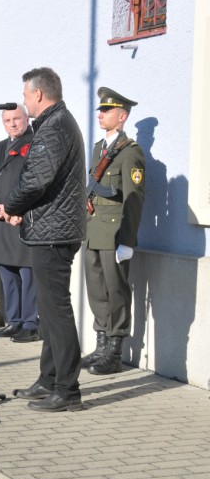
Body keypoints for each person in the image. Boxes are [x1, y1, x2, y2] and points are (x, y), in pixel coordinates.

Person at [4, 67, 87, 412]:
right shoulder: (55, 123)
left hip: (55, 232)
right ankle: (49, 379)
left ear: (38, 94)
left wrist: (11, 205)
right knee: (49, 311)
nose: (23, 101)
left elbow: (37, 180)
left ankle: (68, 391)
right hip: (51, 228)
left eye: (25, 95)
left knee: (56, 311)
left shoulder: (55, 126)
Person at [81, 87, 145, 375]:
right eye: (100, 110)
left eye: (106, 111)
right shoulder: (98, 148)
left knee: (116, 290)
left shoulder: (130, 152)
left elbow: (134, 198)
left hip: (115, 232)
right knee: (96, 290)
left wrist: (127, 241)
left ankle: (115, 353)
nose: (100, 114)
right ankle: (101, 344)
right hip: (93, 229)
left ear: (122, 116)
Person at [0, 106, 40, 342]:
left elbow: (35, 184)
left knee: (27, 274)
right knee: (6, 272)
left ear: (27, 119)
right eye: (7, 120)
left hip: (21, 221)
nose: (12, 124)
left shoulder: (35, 145)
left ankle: (30, 322)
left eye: (17, 118)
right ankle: (13, 321)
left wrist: (17, 210)